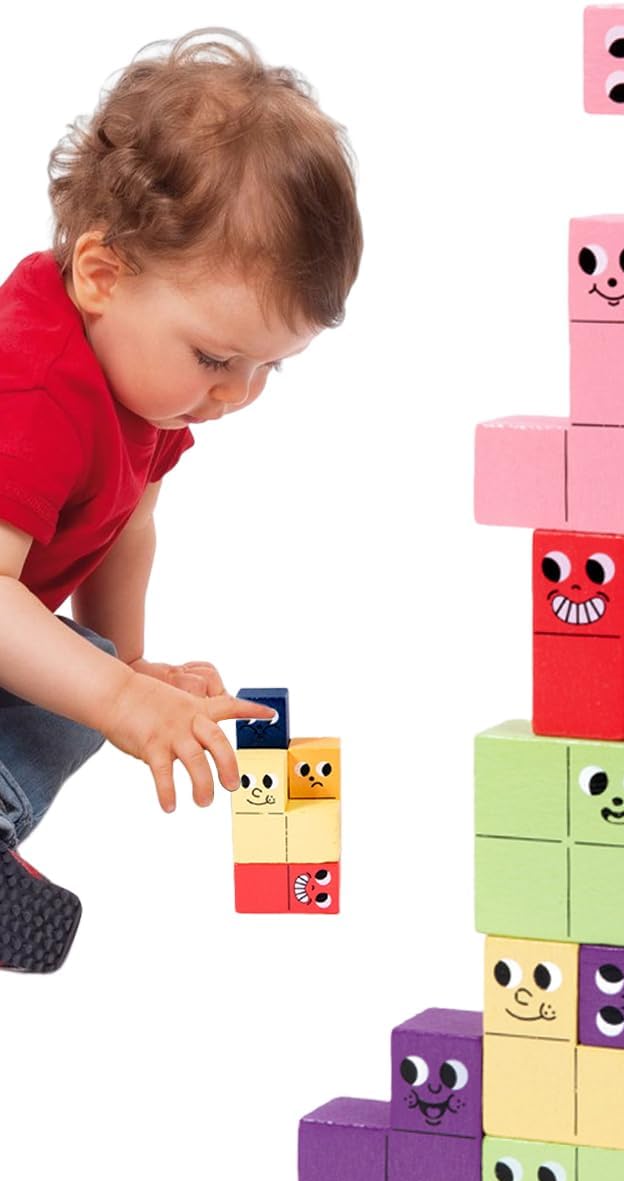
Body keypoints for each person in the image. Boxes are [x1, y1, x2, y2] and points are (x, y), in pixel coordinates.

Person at [0, 31, 363, 972]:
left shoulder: (146, 389)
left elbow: (130, 525)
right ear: (102, 274)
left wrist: (130, 666)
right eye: (215, 357)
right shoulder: (33, 385)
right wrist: (120, 697)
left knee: (85, 674)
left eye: (268, 368)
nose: (235, 394)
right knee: (87, 685)